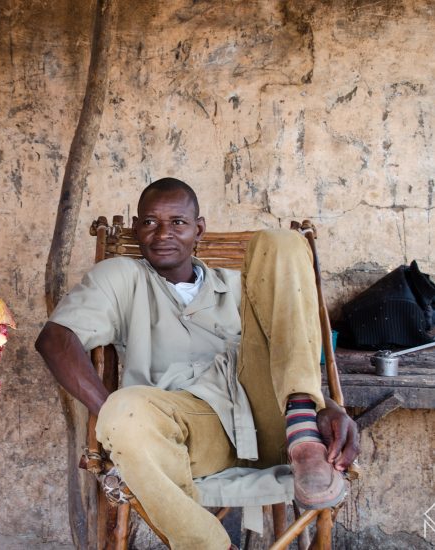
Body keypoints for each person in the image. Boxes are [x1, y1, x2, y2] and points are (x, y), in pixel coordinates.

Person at [35, 177, 359, 549]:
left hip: (267, 424)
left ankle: (303, 430)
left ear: (198, 229)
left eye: (178, 222)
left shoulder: (241, 286)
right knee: (123, 408)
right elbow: (55, 340)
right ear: (137, 228)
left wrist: (325, 406)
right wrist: (115, 419)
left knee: (280, 242)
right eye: (150, 222)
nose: (163, 234)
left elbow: (289, 351)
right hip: (186, 437)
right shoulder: (123, 277)